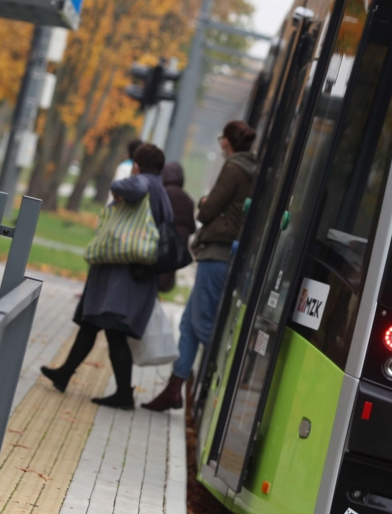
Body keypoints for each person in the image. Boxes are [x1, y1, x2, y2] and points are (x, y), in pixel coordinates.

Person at [41, 143, 174, 410]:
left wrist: (120, 185)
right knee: (92, 324)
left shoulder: (144, 183)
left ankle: (124, 394)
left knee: (113, 332)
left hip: (123, 273)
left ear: (137, 165)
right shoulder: (161, 188)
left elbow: (129, 188)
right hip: (129, 272)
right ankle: (64, 373)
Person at [143, 121, 257, 412]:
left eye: (221, 139)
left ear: (226, 142)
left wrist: (206, 200)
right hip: (218, 255)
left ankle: (228, 377)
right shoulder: (250, 167)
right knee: (188, 326)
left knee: (203, 326)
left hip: (217, 254)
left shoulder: (234, 168)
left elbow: (207, 211)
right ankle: (174, 389)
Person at [158, 161, 196, 294]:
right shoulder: (189, 201)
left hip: (159, 248)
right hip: (176, 253)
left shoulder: (161, 194)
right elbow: (192, 228)